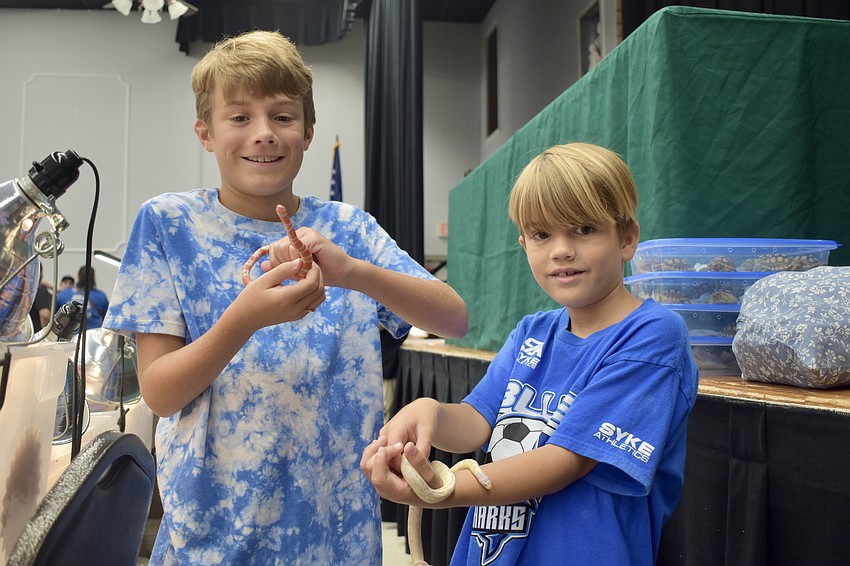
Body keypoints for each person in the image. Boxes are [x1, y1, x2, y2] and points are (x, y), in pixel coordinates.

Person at [102, 30, 468, 565]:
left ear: (308, 130)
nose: (263, 134)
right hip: (211, 531)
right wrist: (242, 320)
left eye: (282, 116)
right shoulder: (168, 224)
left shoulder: (349, 228)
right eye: (240, 117)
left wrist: (354, 272)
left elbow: (453, 318)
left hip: (334, 531)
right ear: (205, 132)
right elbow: (158, 393)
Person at [361, 143, 699, 565]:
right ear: (523, 244)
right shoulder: (531, 332)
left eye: (584, 229)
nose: (561, 250)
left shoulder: (653, 334)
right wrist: (428, 412)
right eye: (542, 234)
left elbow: (567, 462)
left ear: (627, 238)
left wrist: (445, 487)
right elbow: (475, 422)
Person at [29, 263, 53, 332]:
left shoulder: (23, 292)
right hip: (36, 337)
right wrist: (46, 334)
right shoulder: (40, 291)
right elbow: (45, 315)